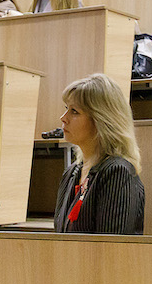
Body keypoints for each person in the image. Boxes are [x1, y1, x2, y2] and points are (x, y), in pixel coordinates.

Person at [53, 74, 145, 234]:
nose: (63, 118)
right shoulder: (71, 172)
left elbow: (110, 245)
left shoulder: (118, 172)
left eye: (74, 111)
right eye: (66, 108)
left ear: (100, 120)